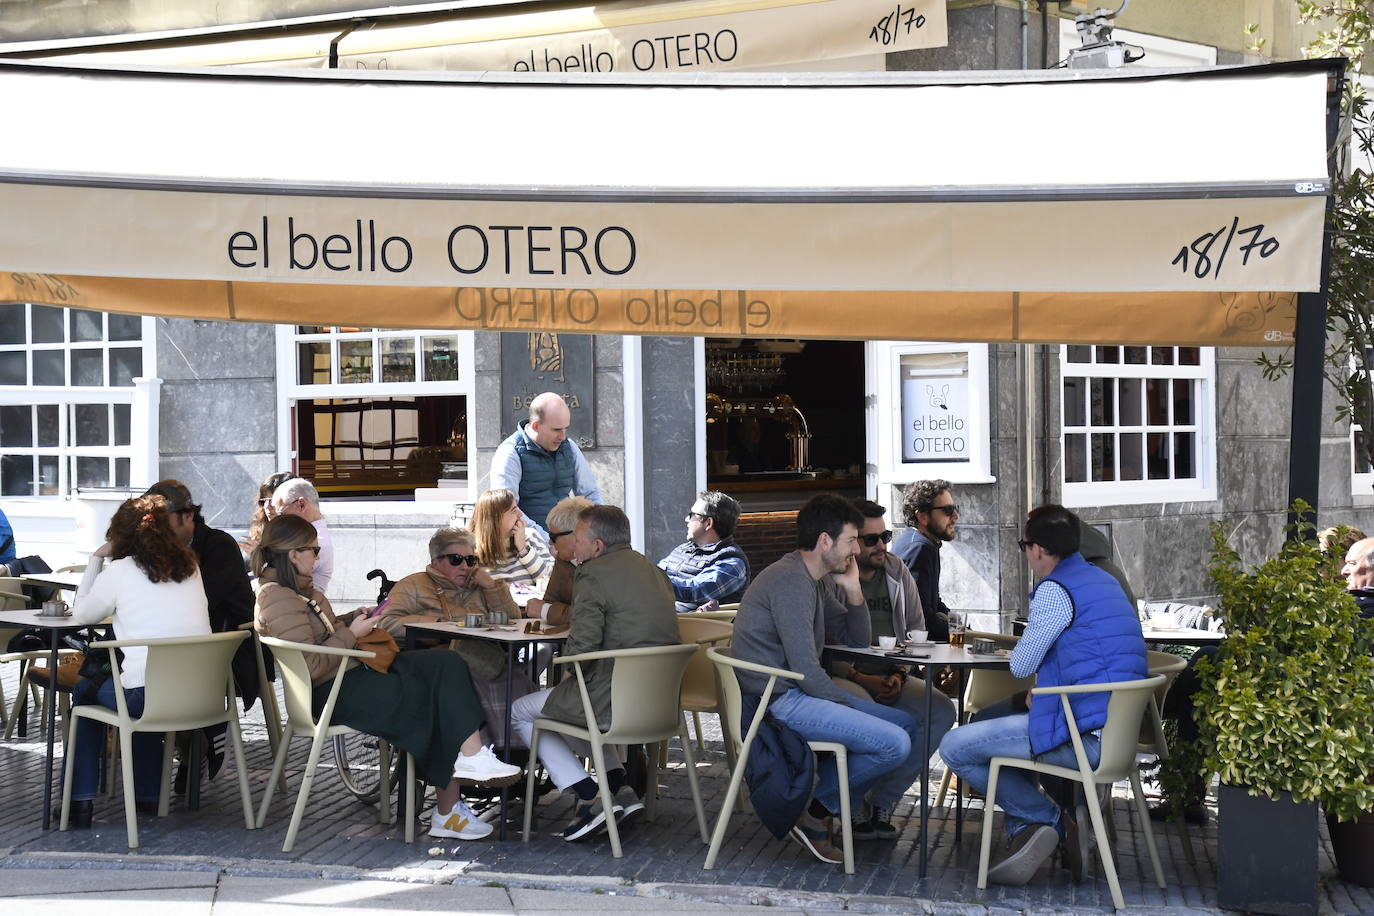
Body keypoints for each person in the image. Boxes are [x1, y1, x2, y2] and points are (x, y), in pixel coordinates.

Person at [253, 515, 522, 840]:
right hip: (332, 691)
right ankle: (448, 811)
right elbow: (310, 664)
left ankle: (473, 757)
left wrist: (351, 619)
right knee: (435, 697)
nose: (319, 555)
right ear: (293, 554)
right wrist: (352, 634)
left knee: (444, 663)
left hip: (352, 673)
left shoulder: (298, 590)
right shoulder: (276, 596)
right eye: (313, 549)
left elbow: (317, 634)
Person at [939, 505, 1147, 886]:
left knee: (954, 746)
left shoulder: (1056, 591)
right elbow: (1092, 652)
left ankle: (1048, 822)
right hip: (1116, 734)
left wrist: (1043, 682)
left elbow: (1020, 664)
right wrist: (1048, 685)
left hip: (1081, 736)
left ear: (1036, 549)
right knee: (999, 736)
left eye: (1024, 545)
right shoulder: (1104, 581)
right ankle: (1032, 828)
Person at [730, 494, 921, 865]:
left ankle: (821, 804)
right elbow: (805, 668)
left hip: (793, 693)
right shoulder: (791, 582)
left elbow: (854, 640)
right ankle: (816, 809)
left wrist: (852, 590)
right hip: (775, 701)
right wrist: (847, 704)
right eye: (851, 540)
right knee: (895, 742)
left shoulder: (812, 579)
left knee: (909, 726)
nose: (855, 549)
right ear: (824, 541)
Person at [509, 505, 679, 842]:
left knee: (522, 712)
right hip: (658, 702)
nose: (575, 547)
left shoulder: (592, 573)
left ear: (598, 546)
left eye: (579, 539)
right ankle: (620, 789)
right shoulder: (654, 570)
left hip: (613, 698)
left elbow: (583, 640)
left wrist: (572, 669)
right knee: (566, 710)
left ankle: (589, 796)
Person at [64, 495, 212, 828]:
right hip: (201, 695)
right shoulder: (191, 568)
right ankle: (147, 796)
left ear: (120, 536)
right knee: (140, 685)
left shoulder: (120, 571)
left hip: (148, 696)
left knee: (89, 691)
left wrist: (94, 560)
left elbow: (81, 615)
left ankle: (79, 803)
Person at [828, 499, 956, 840]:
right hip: (845, 675)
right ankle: (851, 803)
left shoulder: (897, 571)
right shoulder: (834, 576)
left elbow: (916, 630)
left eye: (885, 535)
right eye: (872, 539)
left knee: (941, 710)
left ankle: (883, 800)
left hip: (890, 673)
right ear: (853, 542)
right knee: (874, 720)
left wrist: (899, 674)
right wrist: (860, 677)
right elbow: (828, 641)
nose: (882, 545)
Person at [143, 479, 262, 789]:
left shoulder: (218, 546)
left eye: (162, 522)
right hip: (175, 646)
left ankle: (198, 741)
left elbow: (200, 603)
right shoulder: (150, 549)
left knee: (159, 672)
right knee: (126, 669)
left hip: (227, 651)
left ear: (187, 516)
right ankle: (164, 756)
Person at [375, 526, 536, 740]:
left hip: (486, 659)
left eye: (471, 560)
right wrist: (439, 624)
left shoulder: (481, 587)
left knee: (518, 681)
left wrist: (492, 586)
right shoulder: (413, 585)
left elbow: (513, 620)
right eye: (456, 559)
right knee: (477, 683)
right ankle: (485, 752)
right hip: (436, 665)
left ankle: (516, 751)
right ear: (436, 562)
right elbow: (384, 622)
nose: (465, 566)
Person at [491, 392, 603, 537]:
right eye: (557, 430)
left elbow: (589, 494)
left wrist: (602, 529)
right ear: (536, 426)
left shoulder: (570, 447)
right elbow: (505, 510)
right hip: (528, 546)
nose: (563, 436)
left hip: (568, 542)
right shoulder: (509, 453)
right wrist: (544, 540)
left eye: (565, 428)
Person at [657, 490, 750, 613]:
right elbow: (658, 572)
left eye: (692, 515)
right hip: (662, 618)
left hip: (693, 628)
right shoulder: (683, 549)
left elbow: (694, 590)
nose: (686, 520)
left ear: (708, 523)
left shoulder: (732, 563)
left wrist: (651, 580)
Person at [890, 479, 956, 642]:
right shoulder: (919, 548)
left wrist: (958, 624)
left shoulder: (923, 543)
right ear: (922, 516)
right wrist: (961, 634)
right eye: (947, 510)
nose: (955, 516)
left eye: (954, 508)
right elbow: (921, 616)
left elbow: (933, 602)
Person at [521, 496, 594, 627]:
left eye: (553, 537)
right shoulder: (564, 559)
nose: (550, 542)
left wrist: (546, 611)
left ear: (576, 535)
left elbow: (589, 617)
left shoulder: (602, 564)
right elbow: (550, 602)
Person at [471, 488, 554, 591]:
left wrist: (524, 550)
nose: (520, 515)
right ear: (495, 519)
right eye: (514, 511)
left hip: (533, 605)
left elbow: (553, 581)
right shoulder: (471, 552)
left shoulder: (530, 536)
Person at [272, 478, 333, 593]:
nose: (278, 520)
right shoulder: (313, 537)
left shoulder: (316, 542)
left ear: (301, 504)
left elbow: (279, 574)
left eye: (281, 513)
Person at [244, 471, 299, 554]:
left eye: (274, 500)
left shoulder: (303, 536)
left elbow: (288, 565)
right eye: (264, 500)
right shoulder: (260, 529)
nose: (267, 506)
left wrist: (259, 555)